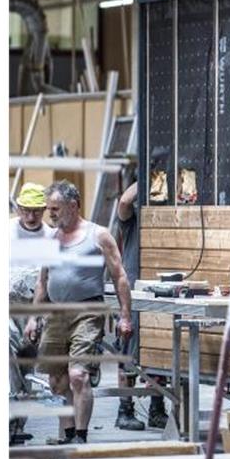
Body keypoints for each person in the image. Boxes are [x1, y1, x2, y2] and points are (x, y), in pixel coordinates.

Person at [24, 181, 133, 444]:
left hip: (87, 311)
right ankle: (69, 434)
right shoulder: (50, 239)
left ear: (73, 206)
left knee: (78, 375)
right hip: (56, 314)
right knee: (57, 381)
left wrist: (125, 316)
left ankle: (81, 438)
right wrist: (33, 317)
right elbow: (43, 281)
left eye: (55, 209)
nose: (50, 214)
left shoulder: (98, 235)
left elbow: (120, 277)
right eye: (49, 209)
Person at [114, 180, 169, 430]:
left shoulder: (167, 222)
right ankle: (124, 410)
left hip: (161, 294)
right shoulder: (132, 220)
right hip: (134, 296)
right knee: (129, 353)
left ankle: (157, 409)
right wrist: (151, 175)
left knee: (161, 351)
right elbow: (125, 202)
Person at [9, 183, 55, 442]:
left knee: (25, 365)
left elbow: (50, 278)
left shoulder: (51, 237)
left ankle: (17, 425)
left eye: (36, 211)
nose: (30, 216)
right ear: (18, 208)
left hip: (33, 308)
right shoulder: (5, 231)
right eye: (26, 210)